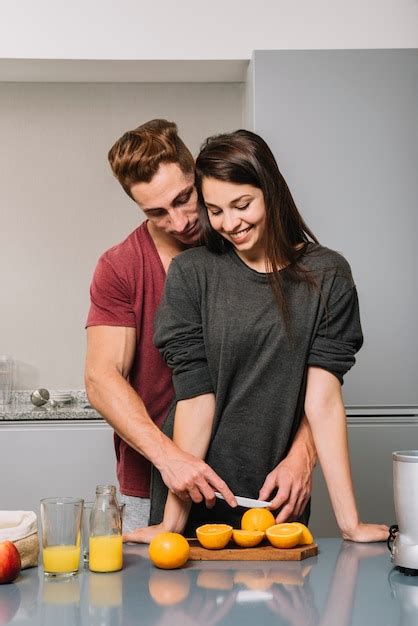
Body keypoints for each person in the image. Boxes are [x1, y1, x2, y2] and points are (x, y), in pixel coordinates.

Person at [129, 128, 388, 542]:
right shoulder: (192, 273)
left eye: (242, 204)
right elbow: (195, 398)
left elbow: (322, 401)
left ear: (270, 190)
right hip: (200, 494)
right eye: (214, 210)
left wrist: (350, 524)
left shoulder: (328, 274)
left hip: (276, 499)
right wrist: (170, 524)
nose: (230, 223)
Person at [85, 120, 317, 534]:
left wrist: (303, 453)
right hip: (154, 482)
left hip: (259, 484)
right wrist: (171, 459)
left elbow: (312, 367)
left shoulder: (258, 247)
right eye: (156, 212)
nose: (179, 221)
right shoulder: (121, 266)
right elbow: (101, 378)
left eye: (184, 198)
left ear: (199, 174)